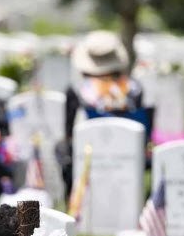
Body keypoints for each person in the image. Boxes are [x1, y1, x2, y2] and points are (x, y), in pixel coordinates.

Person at [60, 30, 149, 193]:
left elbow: (69, 134)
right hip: (128, 162)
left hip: (88, 163)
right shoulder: (134, 89)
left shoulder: (77, 91)